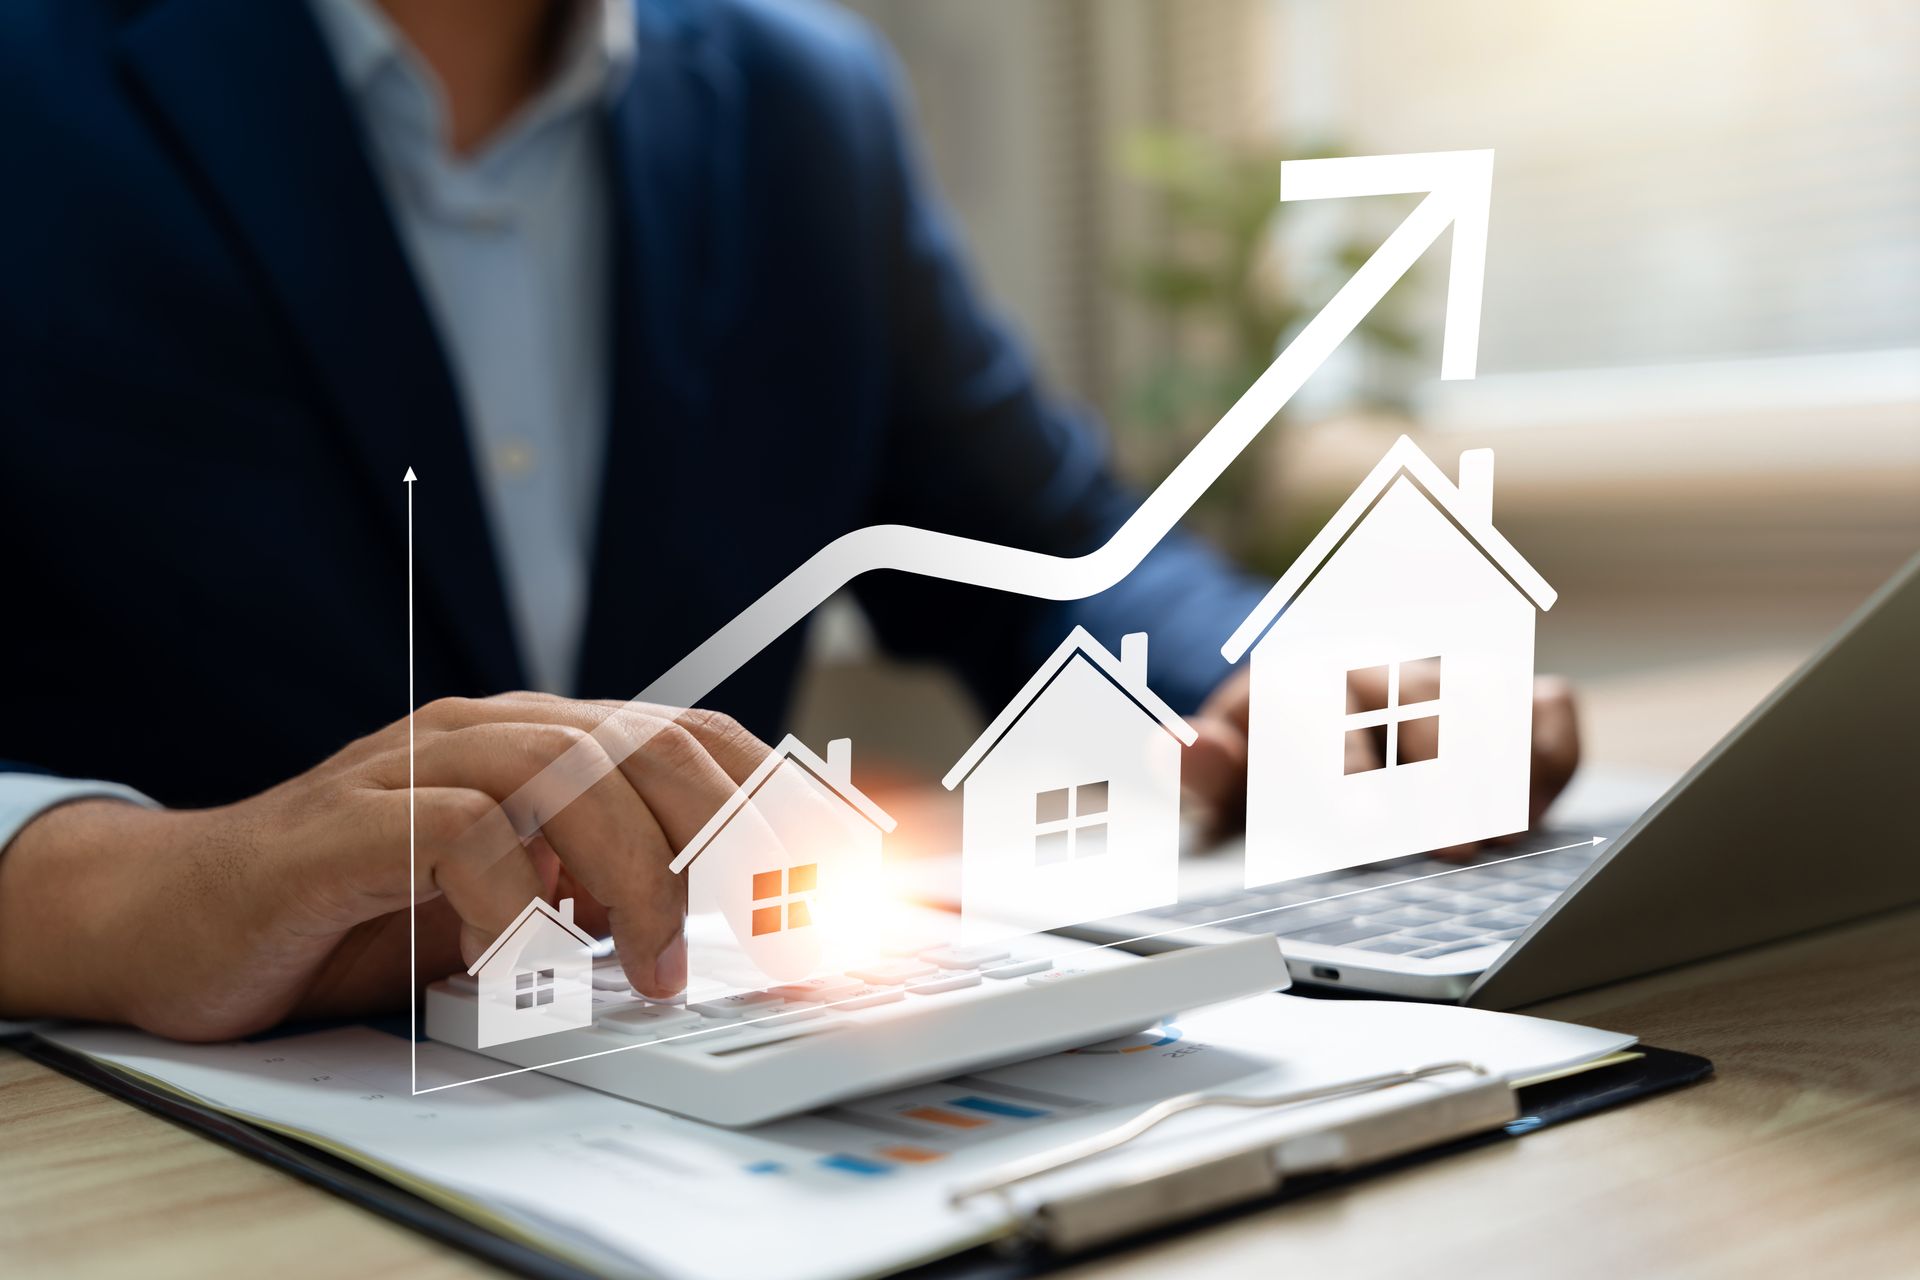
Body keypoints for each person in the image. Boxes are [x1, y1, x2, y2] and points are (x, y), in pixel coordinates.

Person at [0, 0, 1577, 1038]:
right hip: (165, 1145)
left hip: (699, 1087)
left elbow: (1058, 551)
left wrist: (1298, 682)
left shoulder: (796, 98)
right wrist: (133, 887)